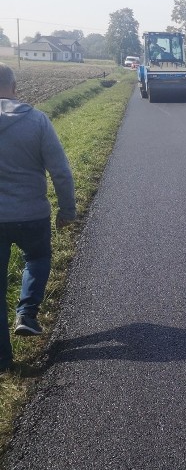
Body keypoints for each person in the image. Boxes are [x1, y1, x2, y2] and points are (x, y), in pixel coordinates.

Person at [0, 62, 75, 371]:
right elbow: (60, 172)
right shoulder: (38, 121)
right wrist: (67, 209)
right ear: (15, 88)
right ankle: (27, 313)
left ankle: (4, 362)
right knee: (38, 258)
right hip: (32, 214)